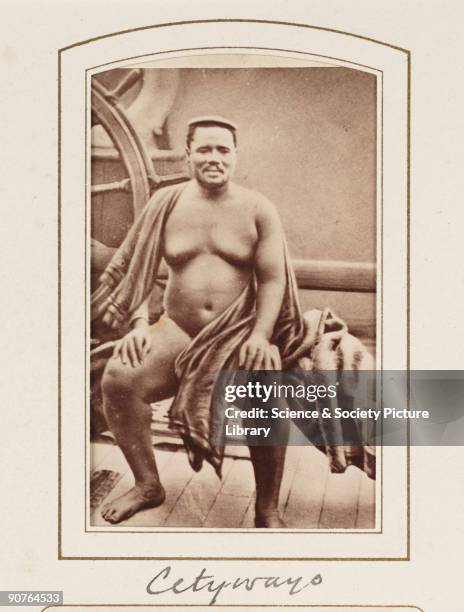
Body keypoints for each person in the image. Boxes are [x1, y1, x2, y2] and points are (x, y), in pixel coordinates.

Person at [97, 116, 292, 527]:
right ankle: (148, 484)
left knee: (266, 389)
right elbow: (139, 267)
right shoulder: (164, 203)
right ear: (187, 155)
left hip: (238, 332)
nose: (214, 158)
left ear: (236, 156)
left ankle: (267, 507)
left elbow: (273, 279)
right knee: (119, 376)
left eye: (223, 149)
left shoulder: (259, 208)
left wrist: (260, 335)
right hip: (177, 329)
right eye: (204, 149)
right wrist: (137, 324)